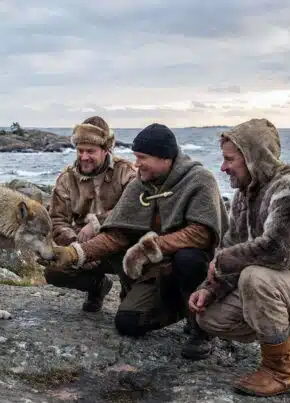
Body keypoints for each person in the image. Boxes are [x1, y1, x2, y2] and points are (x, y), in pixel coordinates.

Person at [189, 118, 290, 396]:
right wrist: (210, 287)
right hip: (287, 289)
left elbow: (279, 252)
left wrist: (223, 261)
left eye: (230, 159)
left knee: (256, 277)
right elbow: (233, 243)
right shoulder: (246, 194)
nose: (223, 167)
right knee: (209, 318)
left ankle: (278, 372)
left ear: (254, 158)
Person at [48, 123, 228, 360]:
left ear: (166, 158)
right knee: (128, 324)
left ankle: (201, 329)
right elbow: (118, 234)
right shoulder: (140, 184)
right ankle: (179, 308)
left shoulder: (199, 180)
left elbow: (202, 233)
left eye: (143, 158)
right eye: (135, 157)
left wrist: (149, 248)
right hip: (154, 270)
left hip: (186, 267)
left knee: (190, 258)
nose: (137, 164)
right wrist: (76, 253)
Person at [46, 116, 136, 312]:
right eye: (80, 150)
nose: (84, 156)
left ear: (106, 150)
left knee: (130, 316)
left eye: (91, 151)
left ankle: (129, 296)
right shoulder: (66, 178)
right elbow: (57, 220)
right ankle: (97, 287)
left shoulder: (126, 173)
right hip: (80, 247)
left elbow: (133, 211)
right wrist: (76, 246)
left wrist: (96, 225)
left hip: (118, 245)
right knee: (53, 272)